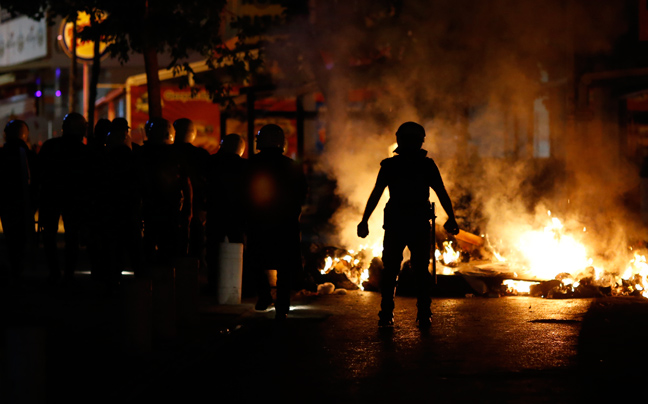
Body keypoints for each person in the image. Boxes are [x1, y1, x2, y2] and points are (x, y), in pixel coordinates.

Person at [357, 121, 459, 328]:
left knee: (392, 269)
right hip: (417, 223)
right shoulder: (426, 165)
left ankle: (387, 314)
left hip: (397, 222)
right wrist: (451, 217)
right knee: (419, 270)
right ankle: (423, 313)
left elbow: (376, 194)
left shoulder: (391, 166)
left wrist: (365, 220)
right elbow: (441, 192)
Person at [246, 124, 307, 321]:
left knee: (256, 260)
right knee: (284, 265)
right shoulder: (291, 166)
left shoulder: (251, 165)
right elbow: (302, 194)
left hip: (258, 221)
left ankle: (264, 296)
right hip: (285, 223)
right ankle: (282, 306)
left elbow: (243, 193)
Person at [38, 113, 89, 283]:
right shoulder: (84, 151)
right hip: (74, 198)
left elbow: (39, 172)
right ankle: (69, 273)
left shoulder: (50, 146)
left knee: (49, 235)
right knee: (72, 235)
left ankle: (54, 271)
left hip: (51, 196)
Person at [137, 117, 188, 267]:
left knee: (149, 246)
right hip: (169, 209)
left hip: (150, 208)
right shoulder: (176, 154)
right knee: (169, 249)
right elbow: (185, 183)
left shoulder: (143, 154)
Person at [205, 133, 248, 293]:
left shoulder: (211, 162)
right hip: (237, 214)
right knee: (238, 249)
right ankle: (238, 284)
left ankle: (213, 284)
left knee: (213, 250)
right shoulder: (244, 166)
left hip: (215, 212)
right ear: (241, 149)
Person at [0, 120, 37, 282]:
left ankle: (14, 266)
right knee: (21, 237)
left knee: (10, 235)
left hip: (6, 201)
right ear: (25, 135)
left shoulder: (3, 153)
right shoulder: (28, 154)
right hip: (24, 202)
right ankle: (18, 266)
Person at [172, 118, 210, 260]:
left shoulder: (168, 153)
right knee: (196, 250)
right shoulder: (201, 155)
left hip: (170, 210)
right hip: (197, 210)